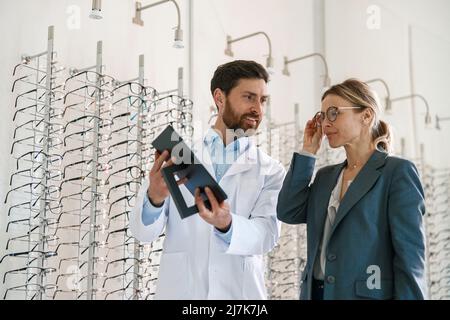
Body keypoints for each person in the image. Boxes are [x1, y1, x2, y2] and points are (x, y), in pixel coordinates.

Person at [130, 60, 286, 299]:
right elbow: (143, 234)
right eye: (249, 97)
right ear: (220, 98)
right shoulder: (179, 156)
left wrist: (227, 224)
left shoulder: (270, 170)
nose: (258, 109)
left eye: (262, 100)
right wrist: (155, 198)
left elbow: (267, 235)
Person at [277, 79, 427, 300]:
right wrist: (308, 151)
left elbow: (410, 258)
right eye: (322, 116)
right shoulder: (325, 177)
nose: (325, 124)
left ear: (366, 116)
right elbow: (288, 211)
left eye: (334, 113)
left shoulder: (397, 172)